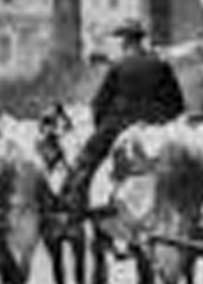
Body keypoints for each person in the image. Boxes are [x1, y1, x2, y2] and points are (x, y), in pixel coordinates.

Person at [64, 19, 185, 213]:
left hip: (120, 124)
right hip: (158, 125)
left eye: (121, 40)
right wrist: (162, 121)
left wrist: (100, 126)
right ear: (140, 41)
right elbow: (178, 104)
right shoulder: (161, 65)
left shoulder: (119, 67)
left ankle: (74, 207)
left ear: (125, 42)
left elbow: (99, 104)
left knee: (86, 159)